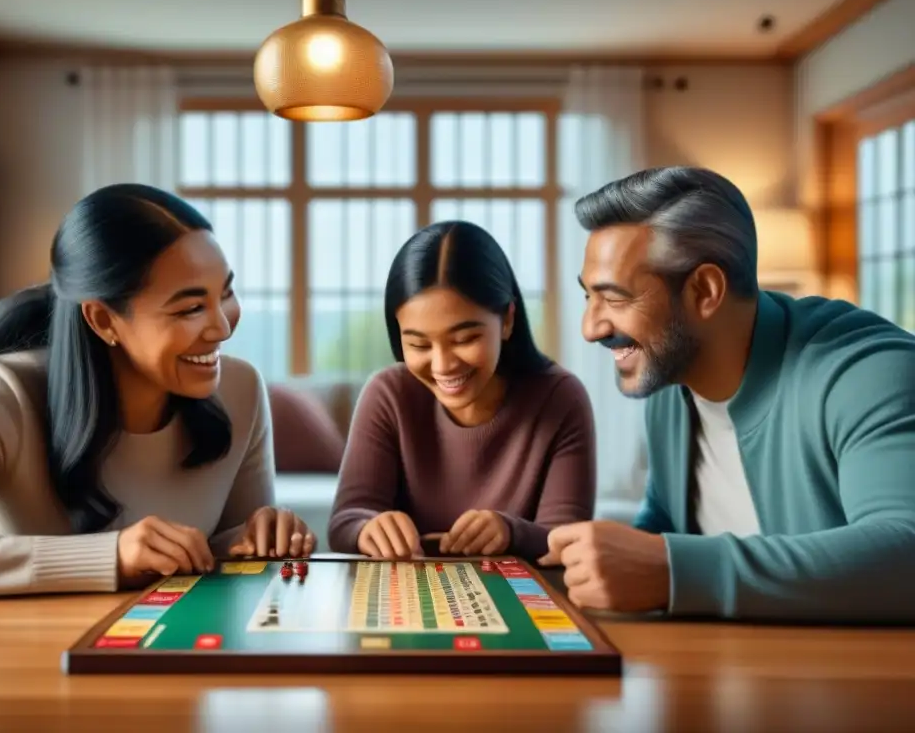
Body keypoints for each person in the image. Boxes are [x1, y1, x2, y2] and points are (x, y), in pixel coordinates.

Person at [0, 183, 315, 599]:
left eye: (225, 293)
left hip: (164, 655)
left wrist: (252, 539)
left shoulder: (240, 390)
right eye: (190, 308)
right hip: (17, 656)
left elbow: (229, 576)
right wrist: (107, 558)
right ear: (103, 320)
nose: (223, 327)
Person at [539, 166, 915, 623]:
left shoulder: (866, 372)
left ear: (705, 291)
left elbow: (904, 551)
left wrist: (673, 572)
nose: (590, 328)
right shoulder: (669, 378)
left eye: (615, 299)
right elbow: (666, 525)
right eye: (588, 298)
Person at [328, 221, 596, 562]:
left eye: (464, 339)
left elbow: (567, 541)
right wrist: (368, 528)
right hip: (404, 600)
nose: (442, 365)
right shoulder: (388, 394)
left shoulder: (560, 398)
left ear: (508, 319)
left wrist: (510, 532)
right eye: (418, 344)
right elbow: (346, 520)